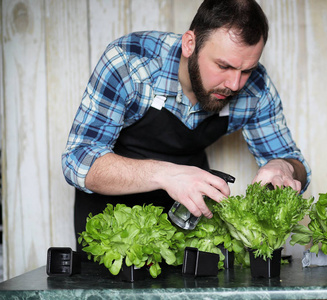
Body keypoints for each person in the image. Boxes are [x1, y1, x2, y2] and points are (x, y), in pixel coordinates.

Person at [62, 0, 311, 250]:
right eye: (223, 66)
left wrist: (283, 167)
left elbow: (294, 163)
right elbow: (78, 160)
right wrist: (167, 174)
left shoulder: (256, 88)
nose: (235, 84)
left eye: (246, 70)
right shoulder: (130, 62)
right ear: (189, 44)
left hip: (190, 223)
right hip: (112, 227)